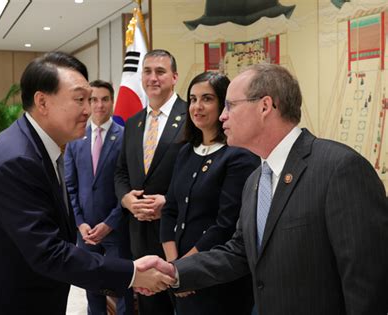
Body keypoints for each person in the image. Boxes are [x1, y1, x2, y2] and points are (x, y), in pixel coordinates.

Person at [0, 52, 174, 315]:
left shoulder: (39, 145)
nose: (89, 109)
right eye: (80, 99)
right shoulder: (17, 160)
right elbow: (48, 253)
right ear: (42, 102)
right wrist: (132, 273)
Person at [147, 63, 388, 314]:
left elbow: (367, 281)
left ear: (265, 106)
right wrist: (175, 271)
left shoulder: (339, 169)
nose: (222, 116)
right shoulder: (256, 180)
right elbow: (240, 251)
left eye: (231, 105)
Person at [160, 71, 259, 314]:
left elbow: (224, 225)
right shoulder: (184, 152)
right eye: (193, 99)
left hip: (217, 278)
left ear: (224, 105)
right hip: (179, 275)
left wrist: (185, 269)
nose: (197, 106)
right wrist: (175, 267)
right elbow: (170, 210)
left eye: (207, 99)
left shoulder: (238, 155)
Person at [114, 49, 187, 314]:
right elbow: (121, 172)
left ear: (174, 76)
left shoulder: (191, 116)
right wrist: (127, 200)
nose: (152, 78)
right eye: (147, 71)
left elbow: (201, 173)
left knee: (182, 303)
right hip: (139, 234)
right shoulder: (132, 123)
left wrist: (168, 202)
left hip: (178, 234)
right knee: (149, 305)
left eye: (160, 71)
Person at [64, 79, 134, 315]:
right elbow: (70, 186)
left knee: (122, 285)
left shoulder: (125, 137)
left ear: (112, 102)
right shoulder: (75, 138)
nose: (99, 105)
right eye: (93, 99)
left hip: (115, 227)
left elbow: (127, 186)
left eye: (105, 99)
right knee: (91, 285)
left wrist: (110, 223)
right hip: (86, 231)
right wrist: (80, 223)